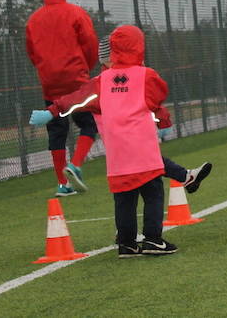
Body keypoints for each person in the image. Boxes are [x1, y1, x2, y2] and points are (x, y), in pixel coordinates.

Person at [30, 25, 178, 258]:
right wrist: (162, 123)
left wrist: (51, 111)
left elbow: (76, 99)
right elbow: (159, 95)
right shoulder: (146, 75)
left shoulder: (101, 81)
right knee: (153, 194)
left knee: (124, 200)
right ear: (139, 47)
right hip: (144, 151)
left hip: (118, 156)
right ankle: (153, 239)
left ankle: (127, 244)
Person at [96, 35, 212, 193]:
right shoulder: (104, 81)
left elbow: (144, 101)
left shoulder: (118, 76)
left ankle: (186, 177)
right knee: (147, 165)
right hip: (121, 139)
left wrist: (159, 114)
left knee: (148, 163)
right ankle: (186, 177)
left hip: (125, 139)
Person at [25, 0, 99, 197]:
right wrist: (86, 67)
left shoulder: (34, 19)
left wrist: (45, 70)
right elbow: (90, 44)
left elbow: (32, 52)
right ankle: (75, 165)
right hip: (76, 78)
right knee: (88, 124)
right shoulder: (76, 13)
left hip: (50, 82)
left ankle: (62, 185)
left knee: (57, 130)